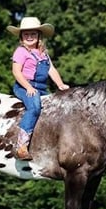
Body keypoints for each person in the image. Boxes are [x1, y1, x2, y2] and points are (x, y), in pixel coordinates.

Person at [7, 17, 69, 160]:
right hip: (24, 86)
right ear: (21, 37)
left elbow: (51, 70)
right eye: (26, 34)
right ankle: (21, 146)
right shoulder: (21, 52)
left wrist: (60, 84)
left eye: (33, 34)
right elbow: (16, 72)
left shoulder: (43, 54)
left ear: (39, 36)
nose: (30, 37)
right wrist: (28, 87)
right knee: (34, 106)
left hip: (41, 88)